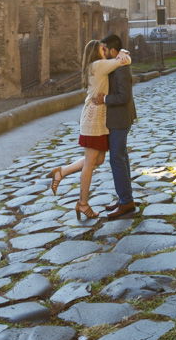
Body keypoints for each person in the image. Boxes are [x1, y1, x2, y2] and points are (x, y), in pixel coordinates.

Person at [48, 38, 131, 220]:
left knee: (97, 159)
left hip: (97, 119)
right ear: (97, 52)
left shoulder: (94, 66)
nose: (106, 51)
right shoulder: (99, 65)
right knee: (90, 162)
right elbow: (124, 60)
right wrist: (123, 53)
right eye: (103, 49)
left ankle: (61, 172)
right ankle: (83, 203)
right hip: (93, 119)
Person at [102, 32, 137, 219]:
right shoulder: (118, 62)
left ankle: (126, 202)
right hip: (119, 118)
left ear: (113, 50)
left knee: (117, 158)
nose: (103, 52)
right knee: (121, 158)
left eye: (105, 49)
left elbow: (124, 97)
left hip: (120, 119)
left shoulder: (121, 66)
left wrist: (104, 99)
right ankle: (125, 198)